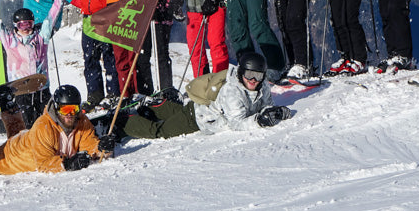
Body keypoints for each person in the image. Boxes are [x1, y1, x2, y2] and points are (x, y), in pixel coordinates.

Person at [0, 84, 114, 177]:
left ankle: (8, 107)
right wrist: (68, 164)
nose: (70, 115)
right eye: (65, 110)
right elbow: (44, 164)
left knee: (18, 133)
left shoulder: (81, 121)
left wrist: (101, 148)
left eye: (74, 109)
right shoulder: (44, 126)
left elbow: (90, 144)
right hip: (13, 155)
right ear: (56, 108)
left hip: (27, 138)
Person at [117, 52, 291, 140]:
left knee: (176, 114)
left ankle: (153, 109)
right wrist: (260, 121)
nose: (253, 80)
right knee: (160, 133)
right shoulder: (232, 91)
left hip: (198, 109)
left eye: (258, 76)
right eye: (249, 75)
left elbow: (266, 104)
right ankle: (126, 122)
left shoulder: (263, 87)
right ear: (241, 73)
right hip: (197, 119)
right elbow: (236, 123)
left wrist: (275, 111)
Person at [0, 0, 72, 127]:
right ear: (15, 26)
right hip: (21, 92)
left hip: (41, 89)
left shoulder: (41, 37)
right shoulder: (10, 40)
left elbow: (52, 16)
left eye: (29, 24)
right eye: (21, 25)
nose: (25, 28)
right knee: (27, 125)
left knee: (48, 124)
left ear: (33, 23)